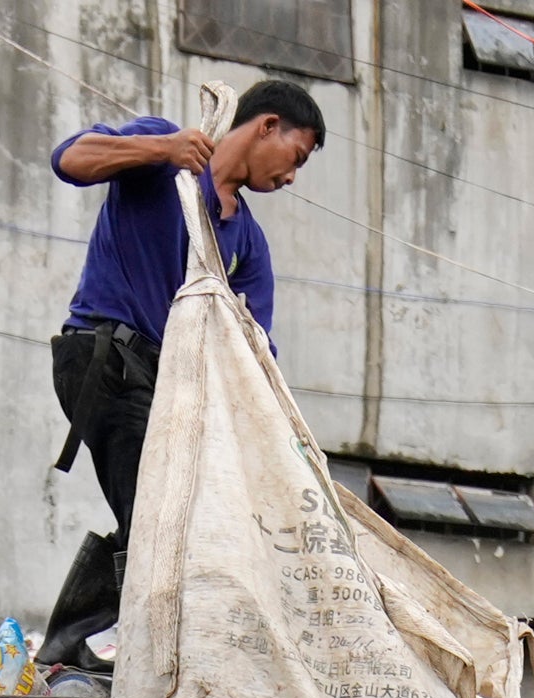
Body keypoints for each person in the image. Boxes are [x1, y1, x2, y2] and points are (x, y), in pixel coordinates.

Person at [41, 81, 326, 663]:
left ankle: (78, 643)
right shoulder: (163, 151)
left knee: (183, 518)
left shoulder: (245, 244)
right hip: (105, 359)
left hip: (168, 390)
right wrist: (163, 151)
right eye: (296, 158)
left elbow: (255, 355)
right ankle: (107, 644)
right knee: (161, 516)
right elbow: (69, 160)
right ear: (267, 126)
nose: (293, 178)